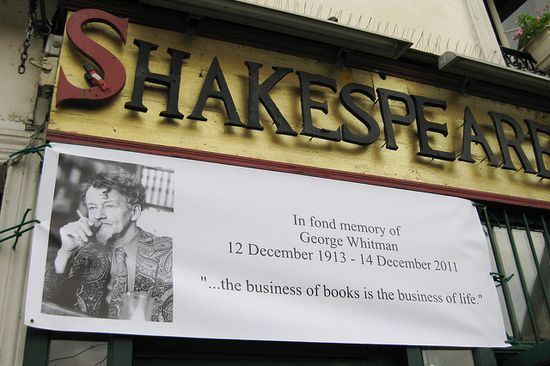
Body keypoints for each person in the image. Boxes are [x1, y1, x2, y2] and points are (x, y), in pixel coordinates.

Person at [42, 167, 173, 322]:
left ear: (135, 212)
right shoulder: (84, 252)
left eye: (109, 206)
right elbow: (46, 304)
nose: (98, 215)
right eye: (92, 207)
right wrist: (64, 252)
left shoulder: (168, 252)